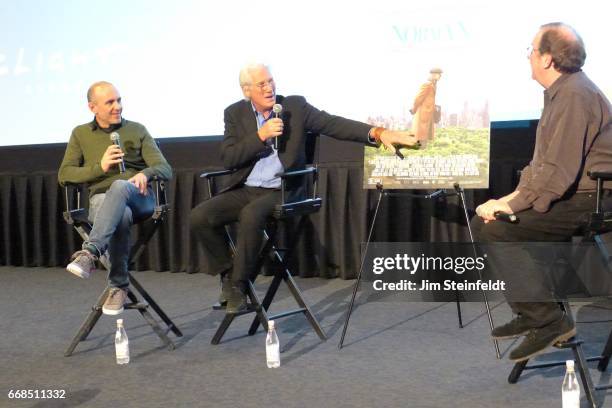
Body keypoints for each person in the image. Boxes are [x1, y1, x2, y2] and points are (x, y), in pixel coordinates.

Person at [190, 62, 419, 313]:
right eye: (261, 84)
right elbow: (229, 158)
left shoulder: (294, 107)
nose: (269, 88)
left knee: (251, 215)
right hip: (248, 187)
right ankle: (229, 273)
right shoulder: (234, 113)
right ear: (247, 91)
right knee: (200, 216)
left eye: (270, 81)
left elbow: (334, 124)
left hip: (283, 189)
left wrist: (378, 132)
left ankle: (239, 286)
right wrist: (260, 136)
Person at [472, 23, 612, 362]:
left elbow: (558, 173)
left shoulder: (575, 95)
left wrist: (513, 206)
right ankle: (534, 313)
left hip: (589, 200)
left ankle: (547, 319)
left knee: (497, 231)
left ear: (547, 59)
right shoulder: (563, 92)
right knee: (490, 224)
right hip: (573, 194)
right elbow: (541, 165)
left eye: (531, 50)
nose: (529, 56)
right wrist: (509, 200)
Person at [58, 81, 172, 315]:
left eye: (119, 100)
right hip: (101, 199)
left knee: (121, 186)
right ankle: (118, 286)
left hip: (139, 197)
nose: (117, 106)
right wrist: (100, 167)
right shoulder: (80, 134)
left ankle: (90, 253)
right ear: (93, 108)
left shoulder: (137, 129)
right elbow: (65, 174)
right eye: (110, 102)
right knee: (120, 215)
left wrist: (145, 173)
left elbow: (165, 168)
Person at [410, 68, 443, 144]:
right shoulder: (427, 84)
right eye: (439, 74)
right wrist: (414, 109)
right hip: (423, 113)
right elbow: (418, 98)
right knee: (421, 136)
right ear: (434, 74)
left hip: (429, 113)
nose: (440, 76)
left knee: (425, 136)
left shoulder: (433, 84)